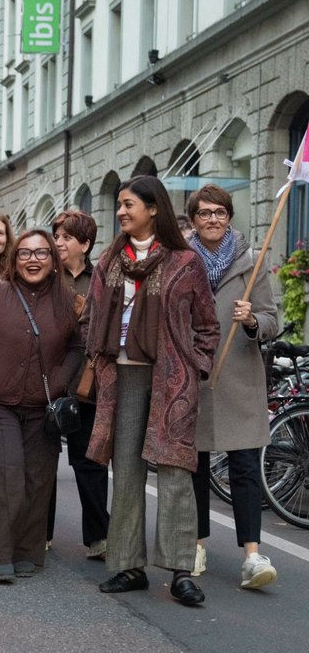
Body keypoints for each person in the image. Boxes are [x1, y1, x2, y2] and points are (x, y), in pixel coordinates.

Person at [84, 175, 219, 606]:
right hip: (121, 380)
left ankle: (182, 570)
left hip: (172, 380)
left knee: (177, 471)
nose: (121, 212)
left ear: (153, 208)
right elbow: (89, 316)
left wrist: (194, 364)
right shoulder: (108, 261)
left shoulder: (184, 261)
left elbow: (208, 325)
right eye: (119, 206)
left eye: (128, 205)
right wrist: (97, 356)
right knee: (125, 471)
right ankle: (129, 566)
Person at [0, 230, 83, 582]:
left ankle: (27, 552)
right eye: (25, 254)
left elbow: (77, 348)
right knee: (6, 473)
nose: (33, 260)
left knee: (37, 479)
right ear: (14, 260)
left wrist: (62, 382)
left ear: (53, 260)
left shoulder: (69, 301)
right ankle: (0, 557)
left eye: (42, 253)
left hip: (42, 406)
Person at [186, 185, 279, 590]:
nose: (212, 219)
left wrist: (252, 320)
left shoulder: (251, 263)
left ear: (229, 217)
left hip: (240, 377)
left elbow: (272, 320)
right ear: (193, 220)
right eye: (204, 213)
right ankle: (196, 544)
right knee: (195, 467)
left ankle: (252, 557)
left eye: (220, 212)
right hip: (195, 375)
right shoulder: (179, 260)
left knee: (243, 469)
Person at [49, 210, 108, 558]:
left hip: (88, 384)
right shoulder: (44, 275)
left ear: (85, 244)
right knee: (42, 462)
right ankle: (40, 534)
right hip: (48, 380)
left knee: (90, 462)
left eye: (66, 237)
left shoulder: (101, 277)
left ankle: (98, 537)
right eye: (56, 236)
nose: (58, 243)